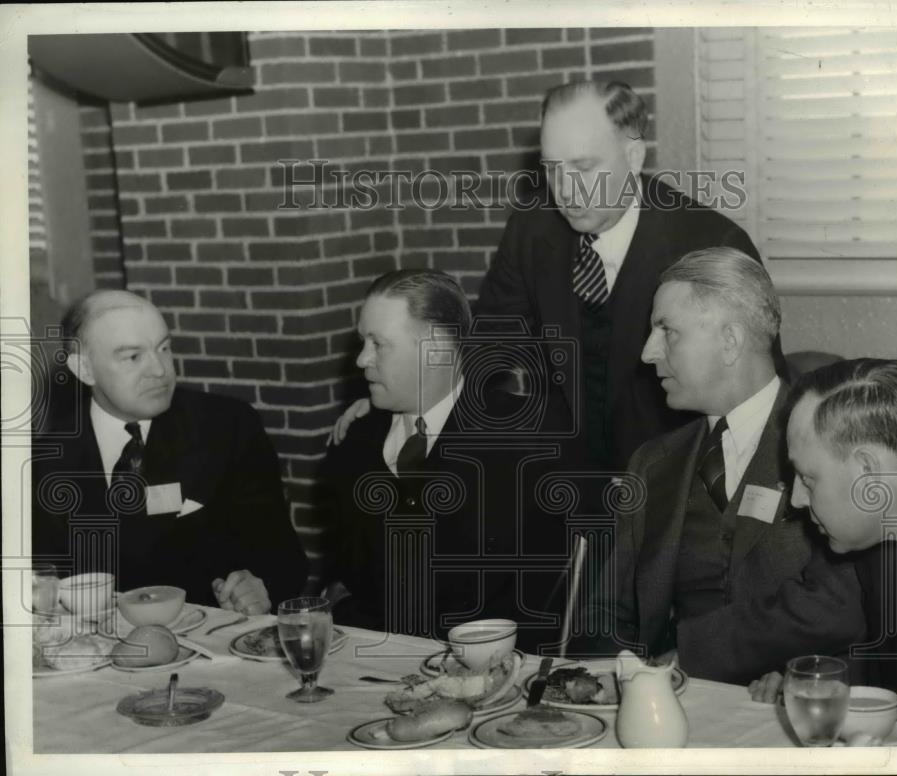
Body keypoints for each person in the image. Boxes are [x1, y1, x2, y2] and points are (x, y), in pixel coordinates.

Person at [334, 80, 770, 473]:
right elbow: (489, 346)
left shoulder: (711, 242)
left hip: (678, 480)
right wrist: (405, 401)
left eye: (583, 167)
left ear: (634, 156)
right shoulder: (532, 229)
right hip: (566, 475)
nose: (564, 190)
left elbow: (757, 395)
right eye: (552, 168)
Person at [583, 247, 865, 682]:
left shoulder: (834, 442)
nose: (647, 352)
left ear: (730, 341)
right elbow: (606, 615)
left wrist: (688, 655)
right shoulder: (652, 463)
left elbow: (839, 606)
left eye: (667, 331)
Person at [320, 270, 575, 651]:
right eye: (363, 342)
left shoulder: (529, 439)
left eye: (378, 344)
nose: (361, 359)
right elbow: (348, 581)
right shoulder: (353, 442)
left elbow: (555, 592)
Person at [32, 290, 306, 613]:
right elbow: (38, 580)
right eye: (133, 357)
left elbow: (285, 560)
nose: (160, 370)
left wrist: (259, 587)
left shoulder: (227, 427)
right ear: (84, 368)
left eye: (164, 348)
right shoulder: (46, 459)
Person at [749, 359, 897, 719]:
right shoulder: (871, 544)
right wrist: (815, 682)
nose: (796, 500)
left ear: (867, 470)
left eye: (807, 479)